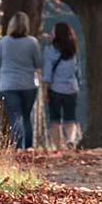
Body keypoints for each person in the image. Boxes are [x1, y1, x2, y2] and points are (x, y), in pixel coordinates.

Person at [0, 11, 41, 150]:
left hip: (8, 85)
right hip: (28, 84)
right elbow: (39, 63)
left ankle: (18, 145)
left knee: (15, 116)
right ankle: (28, 146)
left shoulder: (4, 42)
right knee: (26, 116)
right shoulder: (32, 42)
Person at [42, 21, 81, 150]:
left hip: (55, 89)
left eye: (53, 31)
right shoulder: (73, 48)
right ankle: (70, 140)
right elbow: (77, 69)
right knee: (71, 118)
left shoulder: (50, 49)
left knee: (55, 120)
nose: (51, 33)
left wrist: (45, 90)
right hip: (71, 88)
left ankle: (58, 147)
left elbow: (47, 72)